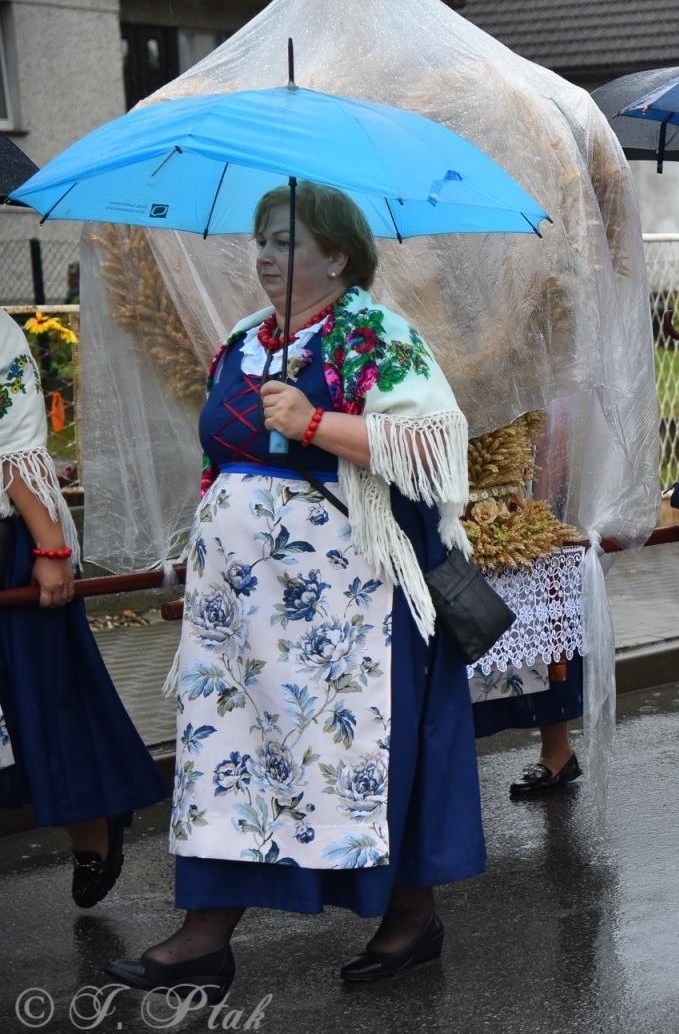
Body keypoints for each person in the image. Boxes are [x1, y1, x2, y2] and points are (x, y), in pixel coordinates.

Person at [108, 183, 484, 995]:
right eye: (262, 241)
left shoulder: (376, 335)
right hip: (239, 609)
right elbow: (222, 449)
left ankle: (411, 917)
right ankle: (206, 936)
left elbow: (433, 448)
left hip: (343, 606)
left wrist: (315, 423)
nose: (266, 255)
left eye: (286, 242)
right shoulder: (246, 340)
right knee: (230, 755)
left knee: (348, 755)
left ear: (337, 256)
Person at [0, 314, 165, 909]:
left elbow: (17, 442)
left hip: (9, 540)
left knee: (45, 698)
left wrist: (48, 547)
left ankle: (92, 817)